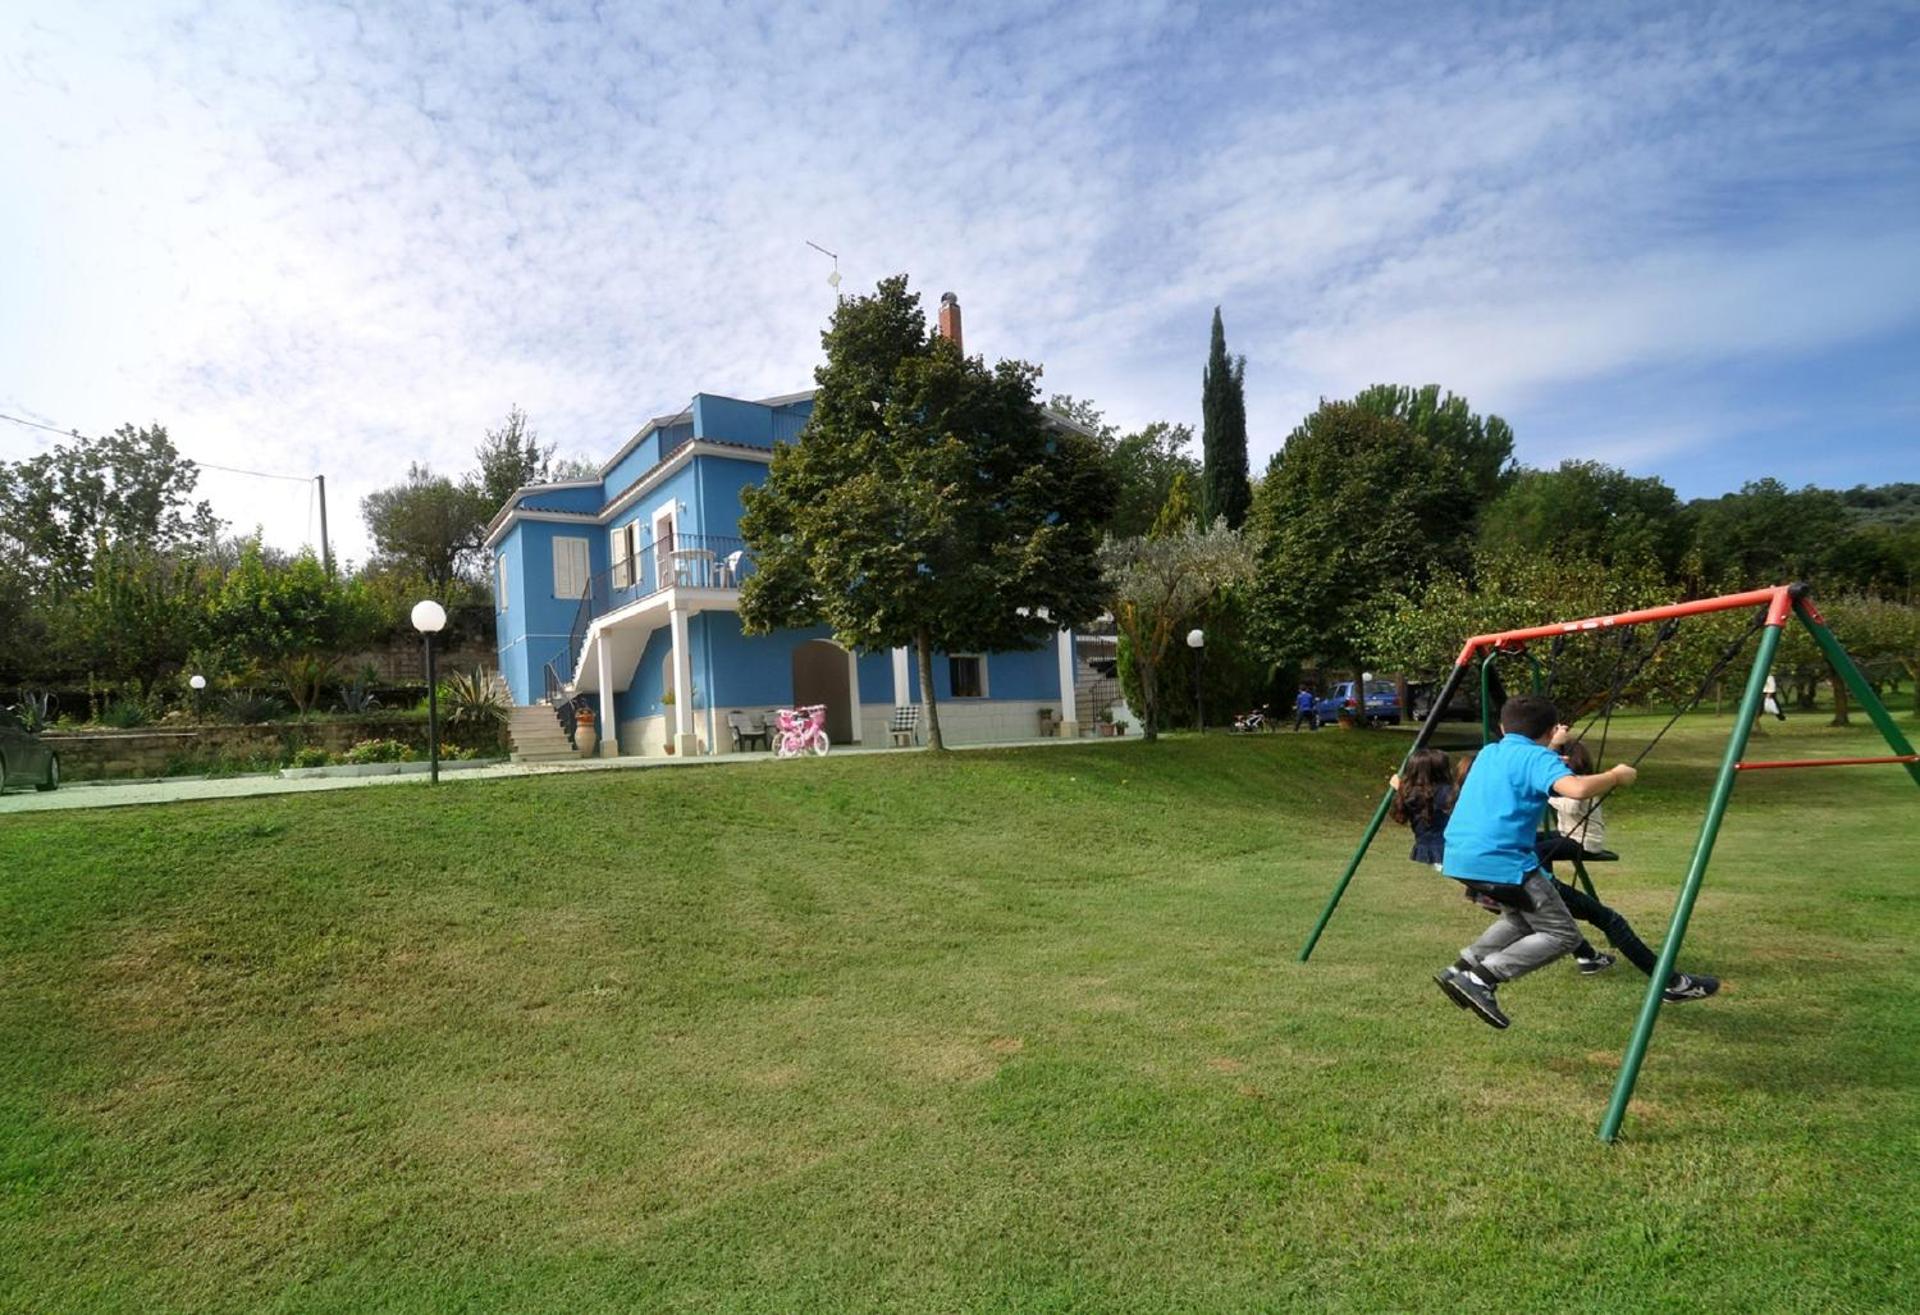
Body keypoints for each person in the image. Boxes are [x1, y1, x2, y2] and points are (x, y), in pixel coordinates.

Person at [1432, 694, 1636, 1029]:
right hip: (1503, 861)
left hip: (1460, 856)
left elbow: (1528, 763)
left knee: (1522, 920)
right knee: (1563, 935)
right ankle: (1482, 979)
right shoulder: (1536, 758)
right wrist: (1615, 775)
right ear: (1549, 731)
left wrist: (1550, 744)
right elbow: (1576, 789)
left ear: (1502, 726)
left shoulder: (1490, 753)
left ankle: (1461, 968)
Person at [1536, 739, 1721, 1001]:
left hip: (1585, 842)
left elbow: (1573, 805)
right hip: (1567, 835)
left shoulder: (1585, 783)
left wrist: (1547, 793)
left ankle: (1547, 882)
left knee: (1542, 852)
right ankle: (1549, 889)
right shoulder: (1569, 780)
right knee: (1536, 842)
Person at [1388, 748, 1454, 869]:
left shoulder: (1411, 794)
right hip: (1444, 849)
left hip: (1426, 849)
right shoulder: (1445, 792)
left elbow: (1417, 797)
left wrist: (1400, 787)